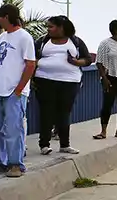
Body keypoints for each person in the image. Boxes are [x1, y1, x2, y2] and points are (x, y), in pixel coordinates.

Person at [0, 4, 36, 178]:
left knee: (13, 128)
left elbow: (31, 64)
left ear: (7, 17)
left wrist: (19, 89)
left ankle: (15, 163)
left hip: (14, 91)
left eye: (0, 17)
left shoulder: (24, 37)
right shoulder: (3, 37)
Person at [33, 15, 91, 155]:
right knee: (46, 112)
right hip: (44, 80)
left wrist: (77, 63)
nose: (48, 29)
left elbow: (87, 59)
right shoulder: (42, 41)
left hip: (70, 81)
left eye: (51, 26)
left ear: (61, 28)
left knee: (64, 113)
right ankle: (44, 145)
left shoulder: (75, 42)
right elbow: (32, 58)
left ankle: (65, 144)